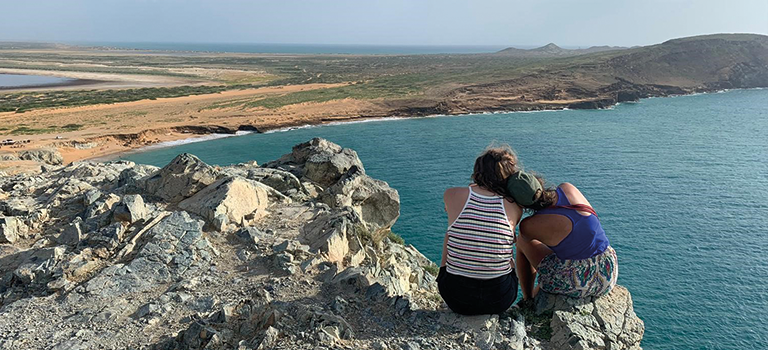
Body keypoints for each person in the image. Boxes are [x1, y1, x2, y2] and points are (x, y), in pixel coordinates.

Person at [505, 171, 618, 300]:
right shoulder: (567, 188)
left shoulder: (528, 226)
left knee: (522, 241)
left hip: (580, 281)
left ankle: (528, 298)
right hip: (608, 271)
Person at [437, 146, 523, 315]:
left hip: (456, 298)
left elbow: (450, 211)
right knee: (513, 240)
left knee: (451, 231)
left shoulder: (452, 194)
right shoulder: (515, 206)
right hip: (500, 299)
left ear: (477, 170)